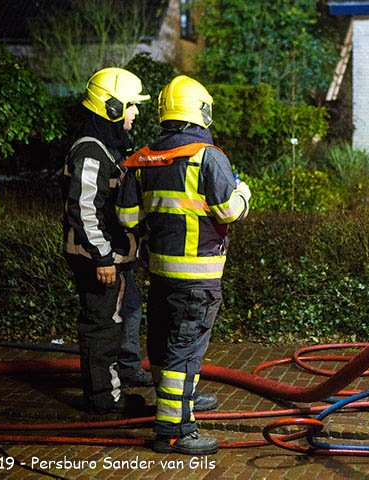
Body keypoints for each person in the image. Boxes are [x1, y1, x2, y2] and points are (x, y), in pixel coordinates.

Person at [117, 75, 251, 455]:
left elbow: (127, 218)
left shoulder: (142, 159)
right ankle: (175, 431)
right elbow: (228, 211)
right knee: (184, 353)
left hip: (160, 274)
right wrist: (243, 192)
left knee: (163, 348)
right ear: (201, 111)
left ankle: (179, 404)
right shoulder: (208, 157)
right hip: (198, 278)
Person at [62, 67, 150, 415]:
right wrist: (102, 257)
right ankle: (104, 399)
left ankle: (119, 379)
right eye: (131, 105)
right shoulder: (91, 151)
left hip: (112, 257)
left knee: (122, 316)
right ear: (111, 107)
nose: (136, 112)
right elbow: (84, 210)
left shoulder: (108, 147)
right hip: (97, 258)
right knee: (102, 327)